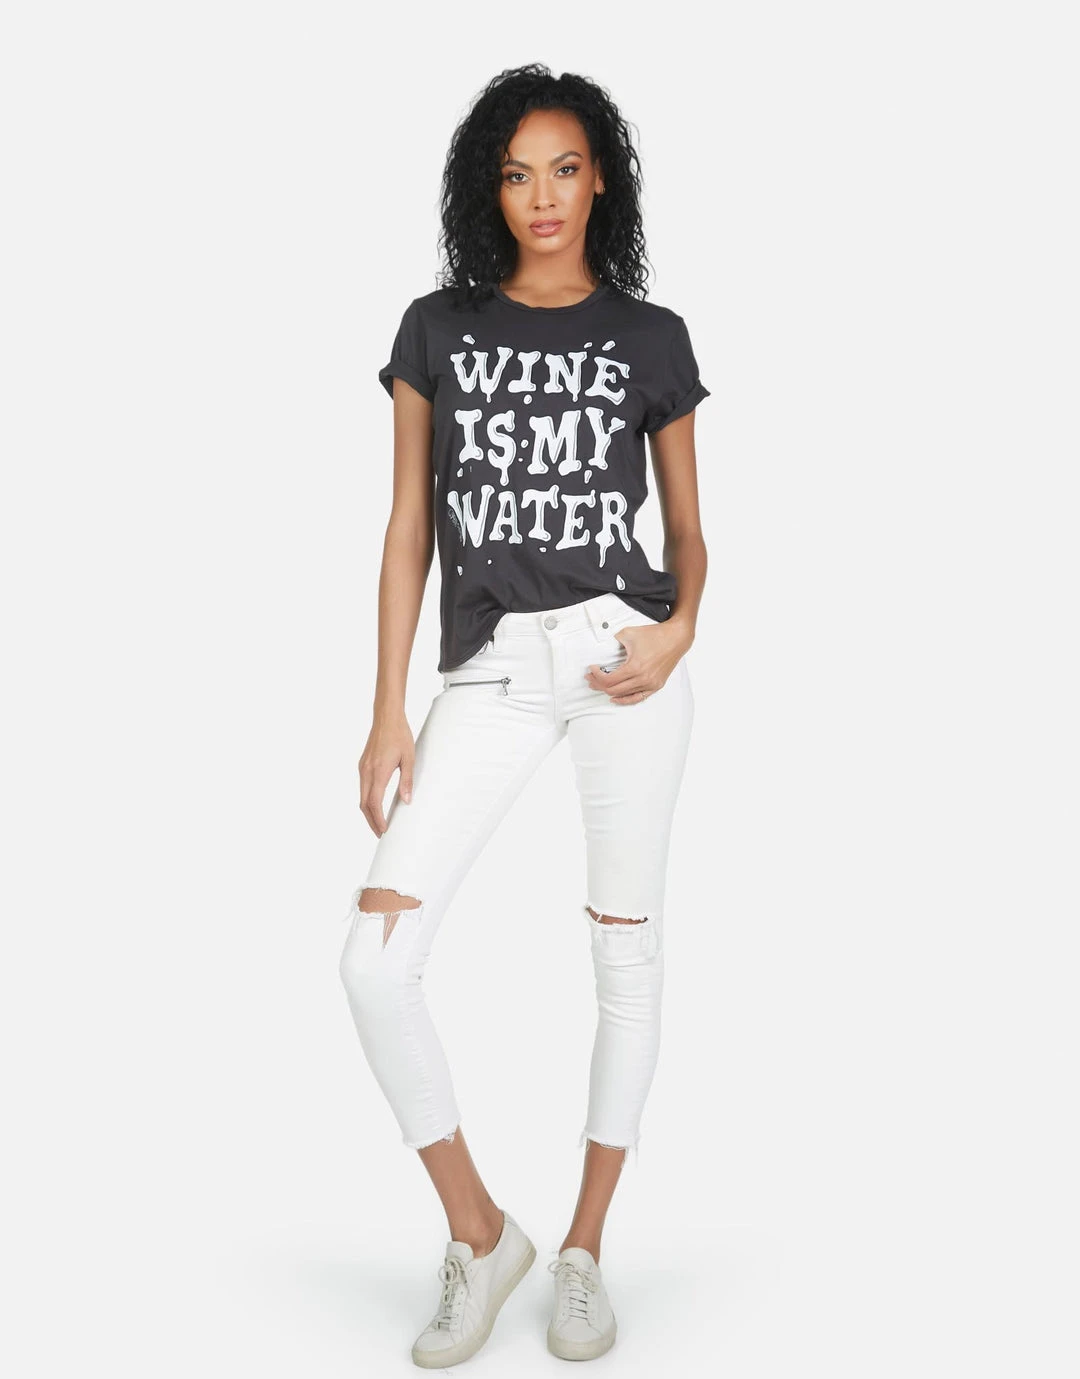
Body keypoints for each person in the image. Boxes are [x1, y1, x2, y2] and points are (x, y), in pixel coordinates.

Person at [339, 63, 709, 1367]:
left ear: (600, 179)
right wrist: (387, 712)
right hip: (490, 668)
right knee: (374, 962)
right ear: (485, 190)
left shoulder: (650, 338)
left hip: (622, 660)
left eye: (563, 169)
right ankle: (483, 1233)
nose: (541, 196)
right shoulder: (437, 329)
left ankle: (587, 1250)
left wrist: (679, 629)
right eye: (515, 174)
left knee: (626, 958)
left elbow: (689, 531)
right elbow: (405, 530)